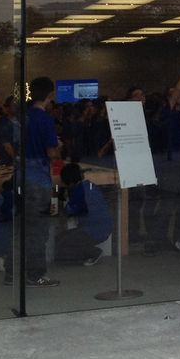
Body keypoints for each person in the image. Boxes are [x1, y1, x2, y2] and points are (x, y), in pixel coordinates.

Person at [8, 76, 62, 287]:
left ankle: (11, 272)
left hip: (21, 176)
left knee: (20, 226)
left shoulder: (22, 117)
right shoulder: (45, 119)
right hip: (38, 179)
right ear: (50, 95)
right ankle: (35, 274)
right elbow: (51, 152)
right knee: (38, 230)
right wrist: (58, 148)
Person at [56, 163, 111, 265]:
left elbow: (66, 213)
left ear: (71, 183)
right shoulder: (89, 186)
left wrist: (57, 193)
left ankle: (93, 252)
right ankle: (87, 251)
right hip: (101, 227)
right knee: (60, 238)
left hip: (94, 231)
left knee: (62, 246)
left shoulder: (80, 194)